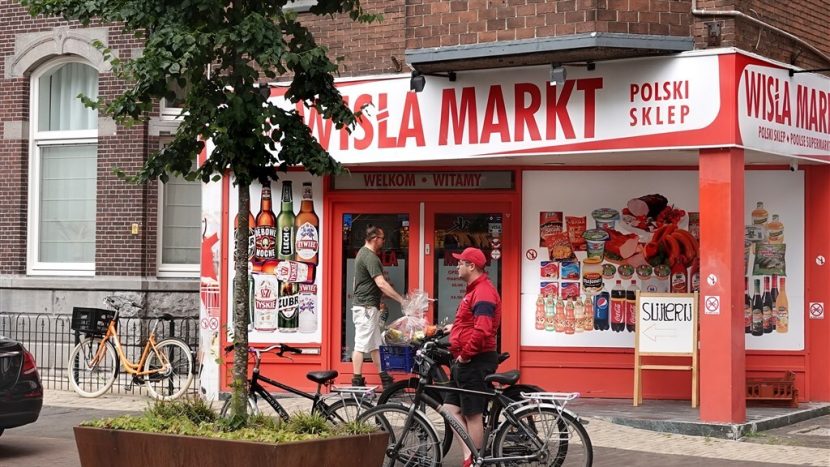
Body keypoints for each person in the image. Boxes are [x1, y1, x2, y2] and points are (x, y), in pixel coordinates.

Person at [442, 247, 501, 467]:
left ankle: (477, 461)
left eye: (460, 263)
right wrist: (453, 328)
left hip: (474, 360)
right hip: (465, 360)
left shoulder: (483, 292)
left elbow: (483, 330)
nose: (457, 266)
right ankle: (470, 457)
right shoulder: (475, 289)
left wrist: (465, 355)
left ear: (471, 266)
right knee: (450, 409)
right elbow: (471, 323)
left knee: (473, 413)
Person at [351, 225, 404, 388]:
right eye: (382, 238)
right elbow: (381, 283)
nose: (384, 241)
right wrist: (402, 300)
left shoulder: (362, 253)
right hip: (366, 308)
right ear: (374, 238)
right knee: (360, 345)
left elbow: (355, 282)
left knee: (375, 345)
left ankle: (385, 378)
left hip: (367, 307)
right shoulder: (370, 257)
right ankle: (357, 382)